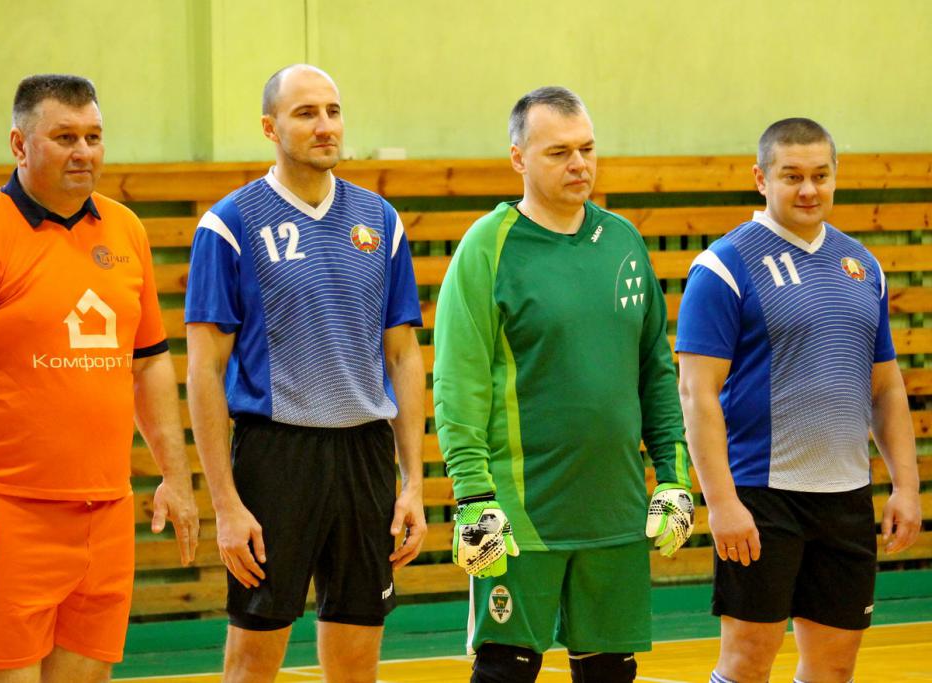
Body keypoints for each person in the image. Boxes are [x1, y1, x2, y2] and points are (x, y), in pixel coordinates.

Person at [0, 74, 199, 682]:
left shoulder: (126, 230)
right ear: (20, 145)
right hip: (12, 516)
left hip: (107, 513)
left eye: (93, 137)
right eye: (65, 137)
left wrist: (175, 477)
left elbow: (149, 361)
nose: (83, 152)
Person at [433, 86, 693, 683]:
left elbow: (655, 369)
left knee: (610, 672)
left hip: (614, 511)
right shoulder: (486, 248)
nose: (579, 164)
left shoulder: (624, 241)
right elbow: (458, 383)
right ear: (519, 158)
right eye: (559, 152)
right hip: (520, 514)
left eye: (587, 149)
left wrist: (674, 476)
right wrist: (472, 495)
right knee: (505, 670)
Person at [184, 64, 428, 683]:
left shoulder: (380, 220)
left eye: (333, 111)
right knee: (252, 662)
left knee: (357, 664)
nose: (325, 126)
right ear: (270, 128)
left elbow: (403, 356)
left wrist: (413, 483)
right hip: (276, 457)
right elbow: (205, 370)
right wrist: (225, 505)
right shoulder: (230, 223)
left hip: (365, 456)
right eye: (306, 113)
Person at [676, 117, 922, 683]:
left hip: (845, 499)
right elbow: (696, 394)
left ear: (835, 176)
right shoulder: (723, 266)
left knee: (833, 668)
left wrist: (906, 487)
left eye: (820, 175)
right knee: (747, 662)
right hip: (762, 497)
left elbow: (886, 388)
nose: (808, 189)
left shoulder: (862, 265)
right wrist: (722, 503)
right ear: (761, 178)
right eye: (792, 176)